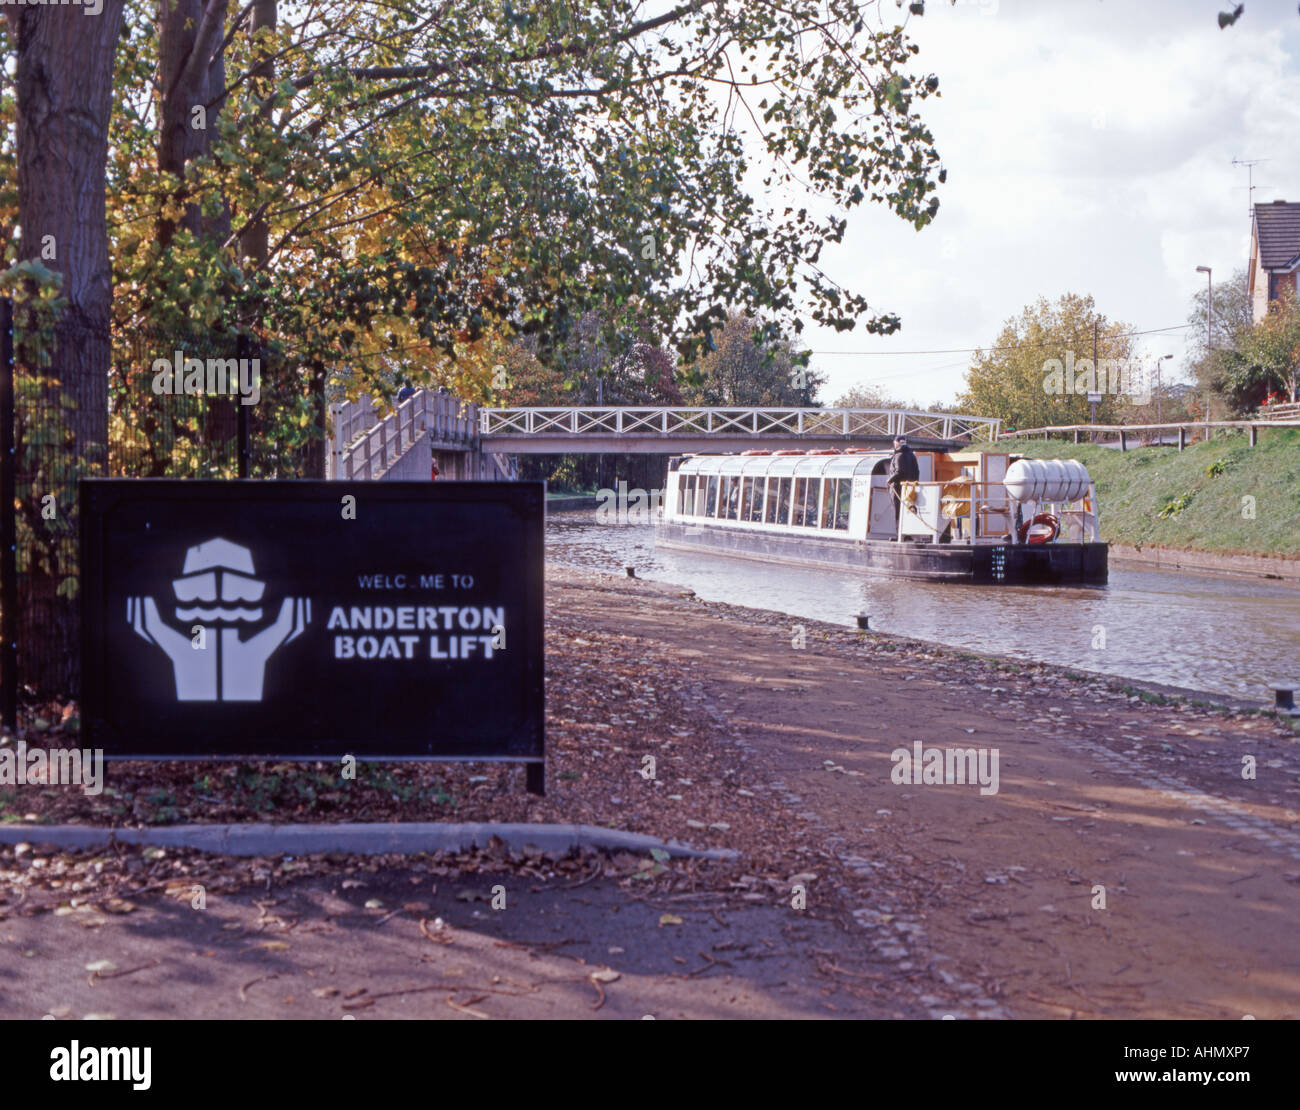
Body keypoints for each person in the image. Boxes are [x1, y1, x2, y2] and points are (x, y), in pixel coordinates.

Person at [886, 434, 919, 538]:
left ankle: (899, 535)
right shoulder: (912, 455)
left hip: (898, 488)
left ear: (896, 444)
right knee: (907, 510)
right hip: (909, 488)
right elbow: (917, 472)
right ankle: (907, 534)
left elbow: (899, 472)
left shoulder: (898, 455)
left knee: (897, 511)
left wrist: (889, 480)